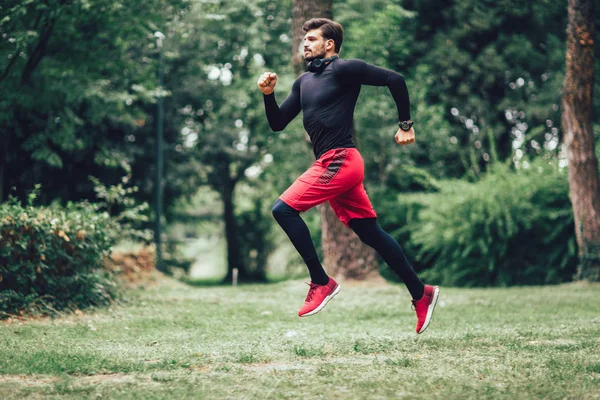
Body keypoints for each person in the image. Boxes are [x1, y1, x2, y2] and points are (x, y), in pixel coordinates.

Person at [257, 18, 439, 334]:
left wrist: (405, 125)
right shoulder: (303, 83)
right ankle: (420, 293)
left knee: (283, 209)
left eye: (312, 39)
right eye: (304, 40)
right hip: (336, 165)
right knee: (369, 232)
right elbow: (277, 123)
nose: (305, 43)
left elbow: (394, 79)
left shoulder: (343, 69)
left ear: (330, 44)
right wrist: (268, 94)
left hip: (340, 160)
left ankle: (320, 281)